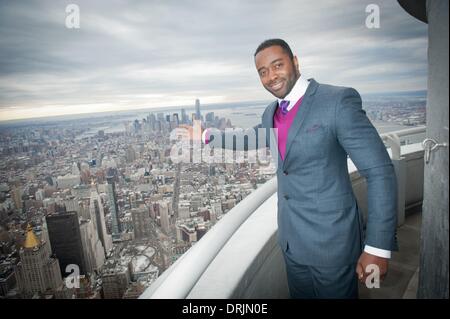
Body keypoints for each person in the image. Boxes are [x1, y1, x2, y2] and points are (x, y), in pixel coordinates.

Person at [202, 38, 398, 299]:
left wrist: (378, 246)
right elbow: (253, 136)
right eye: (263, 72)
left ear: (295, 62)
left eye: (277, 65)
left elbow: (379, 171)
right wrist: (207, 135)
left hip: (332, 245)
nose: (271, 76)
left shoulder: (336, 101)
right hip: (291, 244)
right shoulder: (271, 111)